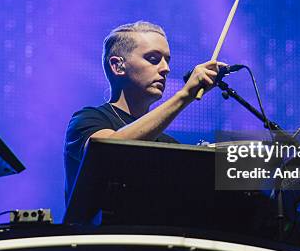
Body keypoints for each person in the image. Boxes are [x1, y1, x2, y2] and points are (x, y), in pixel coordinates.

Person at [64, 21, 222, 200]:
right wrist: (184, 95)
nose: (165, 69)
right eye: (153, 59)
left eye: (167, 61)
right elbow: (106, 153)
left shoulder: (169, 145)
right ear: (118, 66)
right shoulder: (87, 120)